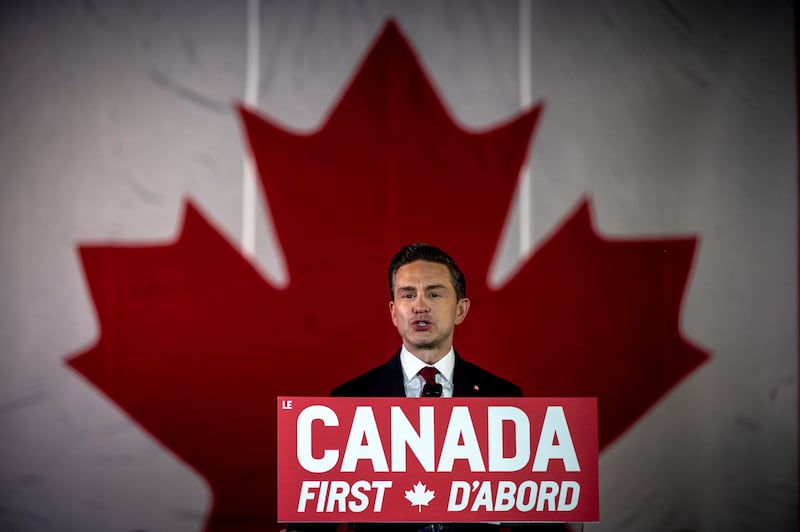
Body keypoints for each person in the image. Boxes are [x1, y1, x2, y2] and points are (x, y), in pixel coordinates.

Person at [289, 243, 582, 532]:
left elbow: (540, 520)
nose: (420, 305)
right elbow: (311, 524)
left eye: (434, 293)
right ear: (394, 312)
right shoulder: (348, 401)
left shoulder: (505, 400)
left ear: (460, 309)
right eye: (408, 294)